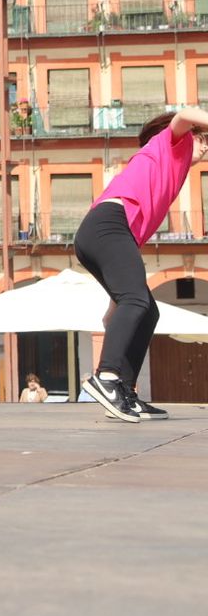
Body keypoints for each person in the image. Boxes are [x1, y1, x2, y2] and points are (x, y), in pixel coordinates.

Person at [77, 107, 208, 422]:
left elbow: (123, 258)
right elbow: (185, 114)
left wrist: (115, 303)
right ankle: (106, 377)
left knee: (147, 310)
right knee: (137, 301)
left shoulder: (173, 171)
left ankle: (125, 391)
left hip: (109, 233)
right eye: (202, 138)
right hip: (107, 225)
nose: (205, 146)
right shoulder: (169, 143)